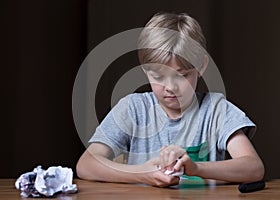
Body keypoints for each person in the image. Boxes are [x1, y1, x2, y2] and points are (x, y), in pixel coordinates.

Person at [76, 12, 265, 187]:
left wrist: (197, 168)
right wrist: (143, 174)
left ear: (201, 66)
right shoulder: (132, 109)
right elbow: (86, 165)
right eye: (158, 77)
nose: (170, 87)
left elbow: (254, 167)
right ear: (145, 70)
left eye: (181, 76)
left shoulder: (216, 110)